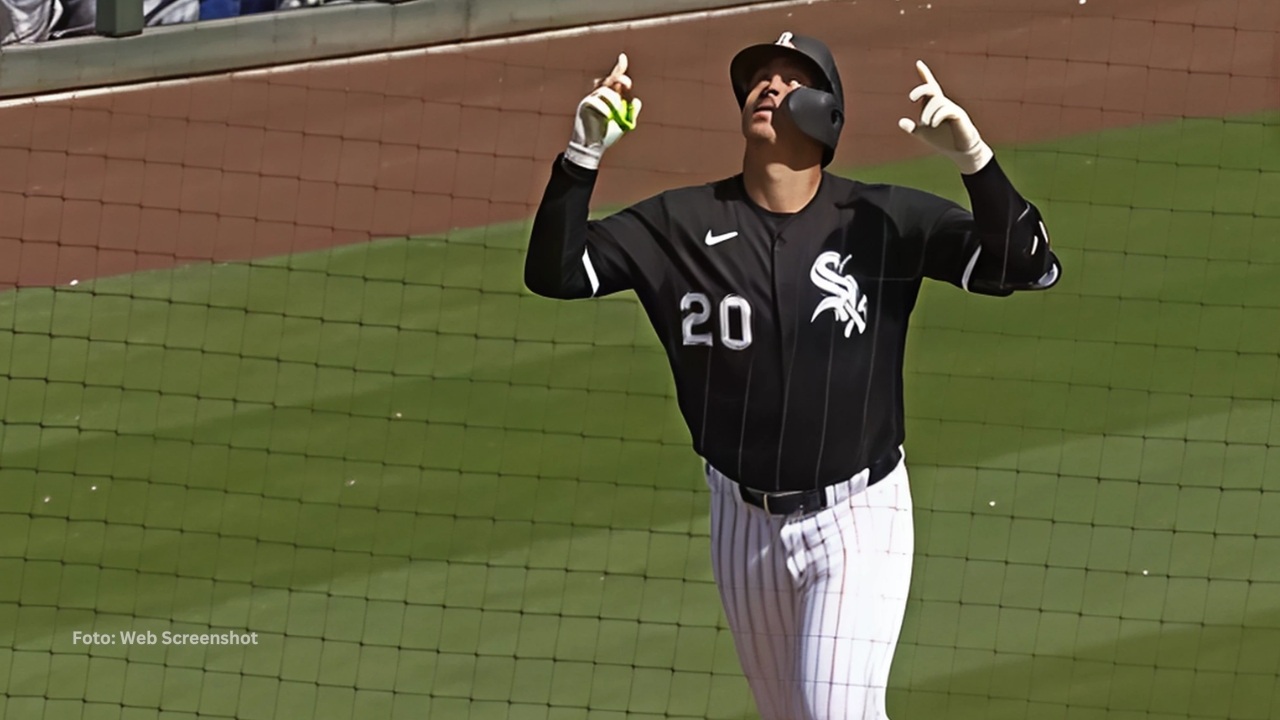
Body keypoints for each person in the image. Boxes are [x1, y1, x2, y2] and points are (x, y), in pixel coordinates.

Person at [523, 32, 1061, 720]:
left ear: (829, 115)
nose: (768, 87)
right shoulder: (681, 224)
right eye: (758, 79)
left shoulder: (882, 220)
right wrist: (582, 155)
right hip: (741, 523)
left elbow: (1029, 264)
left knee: (833, 712)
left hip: (858, 516)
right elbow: (556, 273)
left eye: (790, 79)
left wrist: (973, 159)